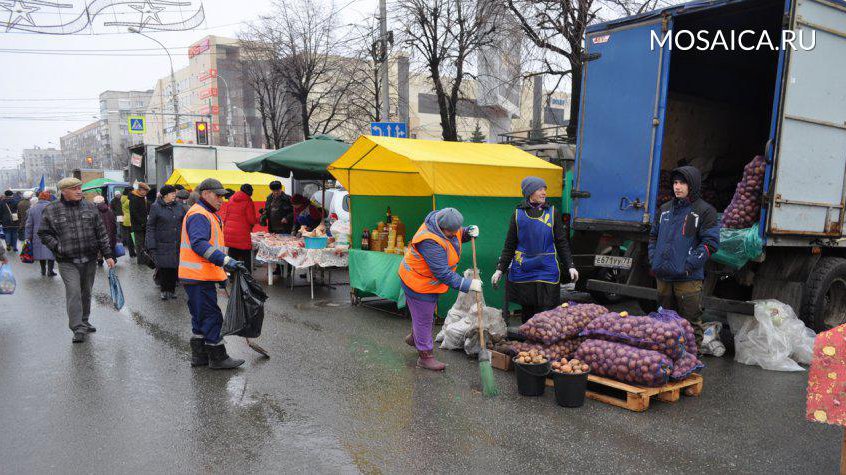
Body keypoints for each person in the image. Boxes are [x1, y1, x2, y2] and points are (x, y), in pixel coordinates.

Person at [398, 208, 482, 371]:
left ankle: (416, 338)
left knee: (423, 315)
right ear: (441, 227)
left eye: (456, 229)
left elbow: (455, 235)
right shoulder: (429, 241)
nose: (454, 233)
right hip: (417, 282)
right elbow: (443, 273)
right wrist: (468, 284)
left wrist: (466, 233)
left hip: (427, 281)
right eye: (450, 232)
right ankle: (425, 357)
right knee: (424, 318)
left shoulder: (445, 225)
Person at [649, 165, 719, 349]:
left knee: (690, 324)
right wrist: (653, 260)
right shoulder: (664, 209)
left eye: (682, 183)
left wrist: (687, 265)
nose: (677, 187)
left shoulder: (705, 211)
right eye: (675, 182)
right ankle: (668, 361)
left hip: (688, 278)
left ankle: (692, 364)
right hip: (663, 277)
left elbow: (710, 243)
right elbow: (653, 237)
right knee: (664, 323)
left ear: (693, 185)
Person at [179, 178, 246, 370]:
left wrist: (221, 271)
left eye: (223, 196)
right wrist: (225, 261)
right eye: (218, 195)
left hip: (198, 275)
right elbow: (199, 244)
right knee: (211, 316)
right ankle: (218, 357)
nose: (221, 200)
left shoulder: (206, 213)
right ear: (205, 193)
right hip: (198, 276)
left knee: (200, 317)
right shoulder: (200, 214)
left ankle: (199, 356)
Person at [38, 178, 114, 343]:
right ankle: (77, 328)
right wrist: (58, 247)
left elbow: (101, 232)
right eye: (74, 189)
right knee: (74, 293)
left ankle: (85, 321)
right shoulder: (51, 209)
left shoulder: (90, 207)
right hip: (67, 261)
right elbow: (43, 233)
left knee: (86, 292)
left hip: (89, 258)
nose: (79, 191)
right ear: (63, 192)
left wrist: (108, 255)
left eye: (80, 188)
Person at [493, 176, 578, 323]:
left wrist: (570, 265)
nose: (544, 192)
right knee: (528, 312)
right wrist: (500, 269)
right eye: (540, 189)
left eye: (545, 189)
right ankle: (528, 341)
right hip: (525, 268)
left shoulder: (553, 212)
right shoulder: (518, 215)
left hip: (547, 268)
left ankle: (545, 342)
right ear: (530, 192)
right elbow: (510, 245)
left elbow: (561, 242)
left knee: (547, 311)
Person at [146, 185, 186, 300]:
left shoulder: (179, 206)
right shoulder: (155, 207)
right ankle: (164, 290)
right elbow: (150, 227)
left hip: (176, 242)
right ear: (164, 195)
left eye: (174, 193)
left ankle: (172, 290)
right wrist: (151, 244)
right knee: (163, 267)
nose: (174, 195)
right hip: (161, 243)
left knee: (174, 267)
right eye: (171, 193)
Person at [222, 184, 257, 275]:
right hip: (242, 233)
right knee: (246, 256)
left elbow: (227, 216)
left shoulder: (232, 199)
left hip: (229, 231)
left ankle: (231, 276)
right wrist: (258, 220)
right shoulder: (248, 201)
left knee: (232, 254)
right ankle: (247, 276)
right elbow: (251, 219)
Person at [25, 191, 56, 276]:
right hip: (50, 232)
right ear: (48, 197)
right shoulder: (52, 207)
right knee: (51, 251)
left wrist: (27, 236)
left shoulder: (33, 208)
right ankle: (50, 270)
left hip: (37, 233)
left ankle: (43, 270)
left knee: (40, 252)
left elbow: (29, 224)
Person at [129, 182, 151, 265]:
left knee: (144, 243)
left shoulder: (142, 198)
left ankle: (145, 259)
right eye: (143, 191)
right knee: (139, 244)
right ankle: (141, 260)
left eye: (146, 191)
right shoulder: (134, 198)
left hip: (144, 224)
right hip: (138, 226)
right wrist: (142, 222)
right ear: (139, 190)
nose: (145, 192)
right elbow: (134, 213)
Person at [93, 195, 118, 264]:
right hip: (111, 231)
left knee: (100, 245)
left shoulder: (94, 212)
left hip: (100, 232)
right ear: (103, 201)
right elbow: (114, 221)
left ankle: (100, 259)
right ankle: (113, 259)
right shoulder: (110, 210)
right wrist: (115, 231)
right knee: (111, 245)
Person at [120, 187, 136, 258]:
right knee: (133, 237)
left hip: (126, 220)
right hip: (131, 220)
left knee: (129, 237)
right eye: (133, 190)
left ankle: (131, 252)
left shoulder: (123, 198)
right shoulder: (129, 199)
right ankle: (133, 252)